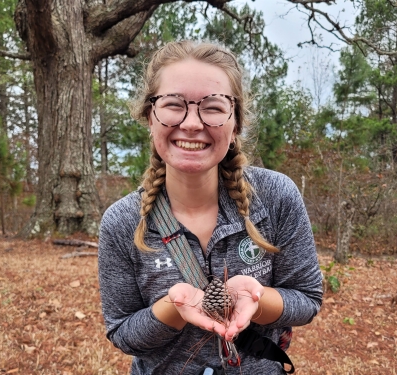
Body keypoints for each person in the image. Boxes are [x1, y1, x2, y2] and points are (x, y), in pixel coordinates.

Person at [98, 40, 323, 375]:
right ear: (150, 116)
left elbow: (307, 300)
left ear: (235, 125)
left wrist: (258, 299)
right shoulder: (122, 222)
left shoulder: (276, 197)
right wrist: (174, 307)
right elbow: (123, 334)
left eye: (213, 107)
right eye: (174, 104)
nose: (191, 123)